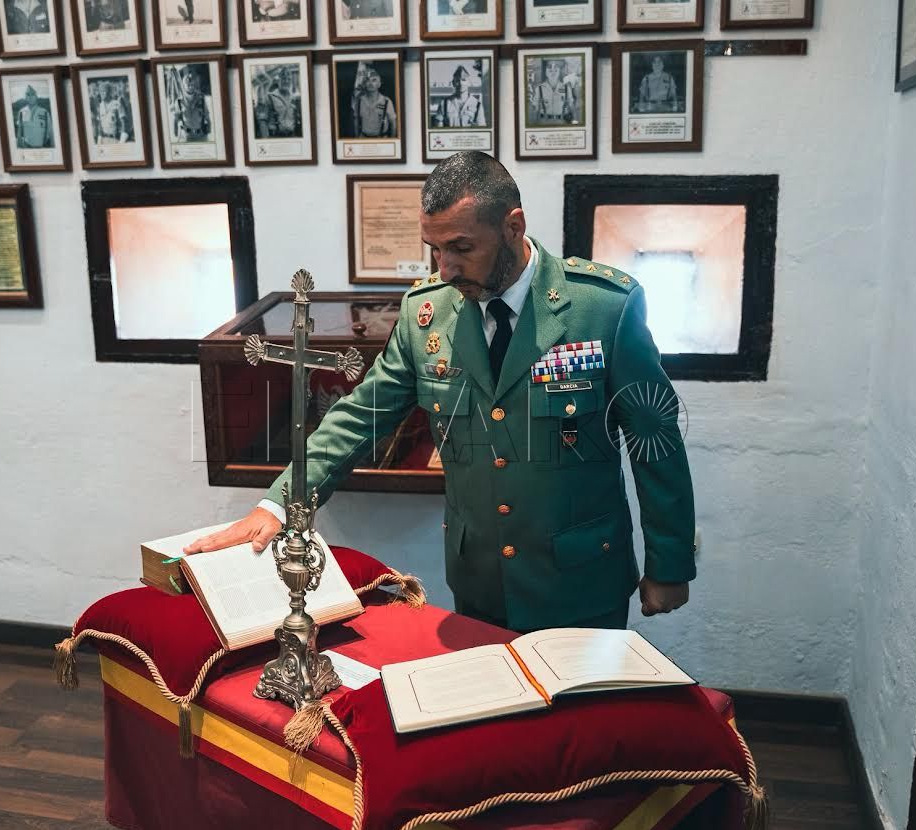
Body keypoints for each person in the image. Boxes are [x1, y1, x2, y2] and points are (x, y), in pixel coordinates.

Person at [184, 151, 696, 633]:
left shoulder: (602, 308)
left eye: (461, 248)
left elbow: (656, 442)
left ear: (513, 227)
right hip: (480, 582)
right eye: (435, 249)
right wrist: (280, 505)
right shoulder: (426, 314)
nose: (445, 269)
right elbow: (360, 415)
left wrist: (669, 564)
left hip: (581, 582)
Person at [350, 65, 396, 138]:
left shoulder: (386, 101)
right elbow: (356, 121)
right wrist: (357, 139)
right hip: (363, 138)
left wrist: (392, 140)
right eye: (367, 80)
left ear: (379, 84)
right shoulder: (359, 101)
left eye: (374, 80)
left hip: (381, 139)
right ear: (364, 84)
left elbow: (393, 123)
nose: (370, 83)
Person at [437, 64, 485, 129]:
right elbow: (438, 130)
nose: (460, 83)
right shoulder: (444, 104)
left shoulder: (477, 105)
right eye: (457, 80)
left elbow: (482, 130)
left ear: (469, 82)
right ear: (453, 83)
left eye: (464, 80)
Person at [533, 59, 574, 124]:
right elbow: (535, 109)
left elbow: (571, 107)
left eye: (556, 70)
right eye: (550, 71)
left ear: (559, 73)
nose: (553, 73)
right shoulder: (539, 88)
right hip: (544, 122)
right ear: (546, 73)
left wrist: (574, 122)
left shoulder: (567, 88)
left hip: (562, 122)